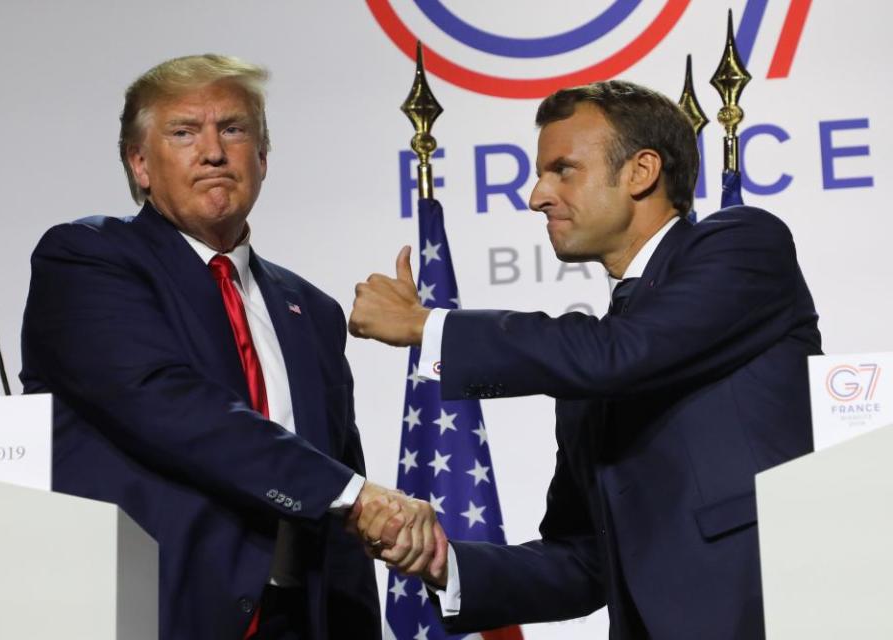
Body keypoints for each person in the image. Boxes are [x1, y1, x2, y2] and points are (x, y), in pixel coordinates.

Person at [349, 80, 822, 639]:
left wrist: (429, 326)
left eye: (562, 170)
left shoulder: (743, 246)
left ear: (641, 172)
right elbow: (584, 559)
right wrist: (442, 563)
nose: (537, 196)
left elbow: (621, 355)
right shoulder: (584, 363)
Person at [20, 54, 438, 640]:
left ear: (263, 160)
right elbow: (166, 405)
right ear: (140, 164)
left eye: (234, 130)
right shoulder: (88, 259)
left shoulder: (310, 309)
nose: (213, 152)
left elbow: (340, 467)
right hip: (159, 612)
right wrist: (351, 495)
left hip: (298, 619)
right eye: (184, 132)